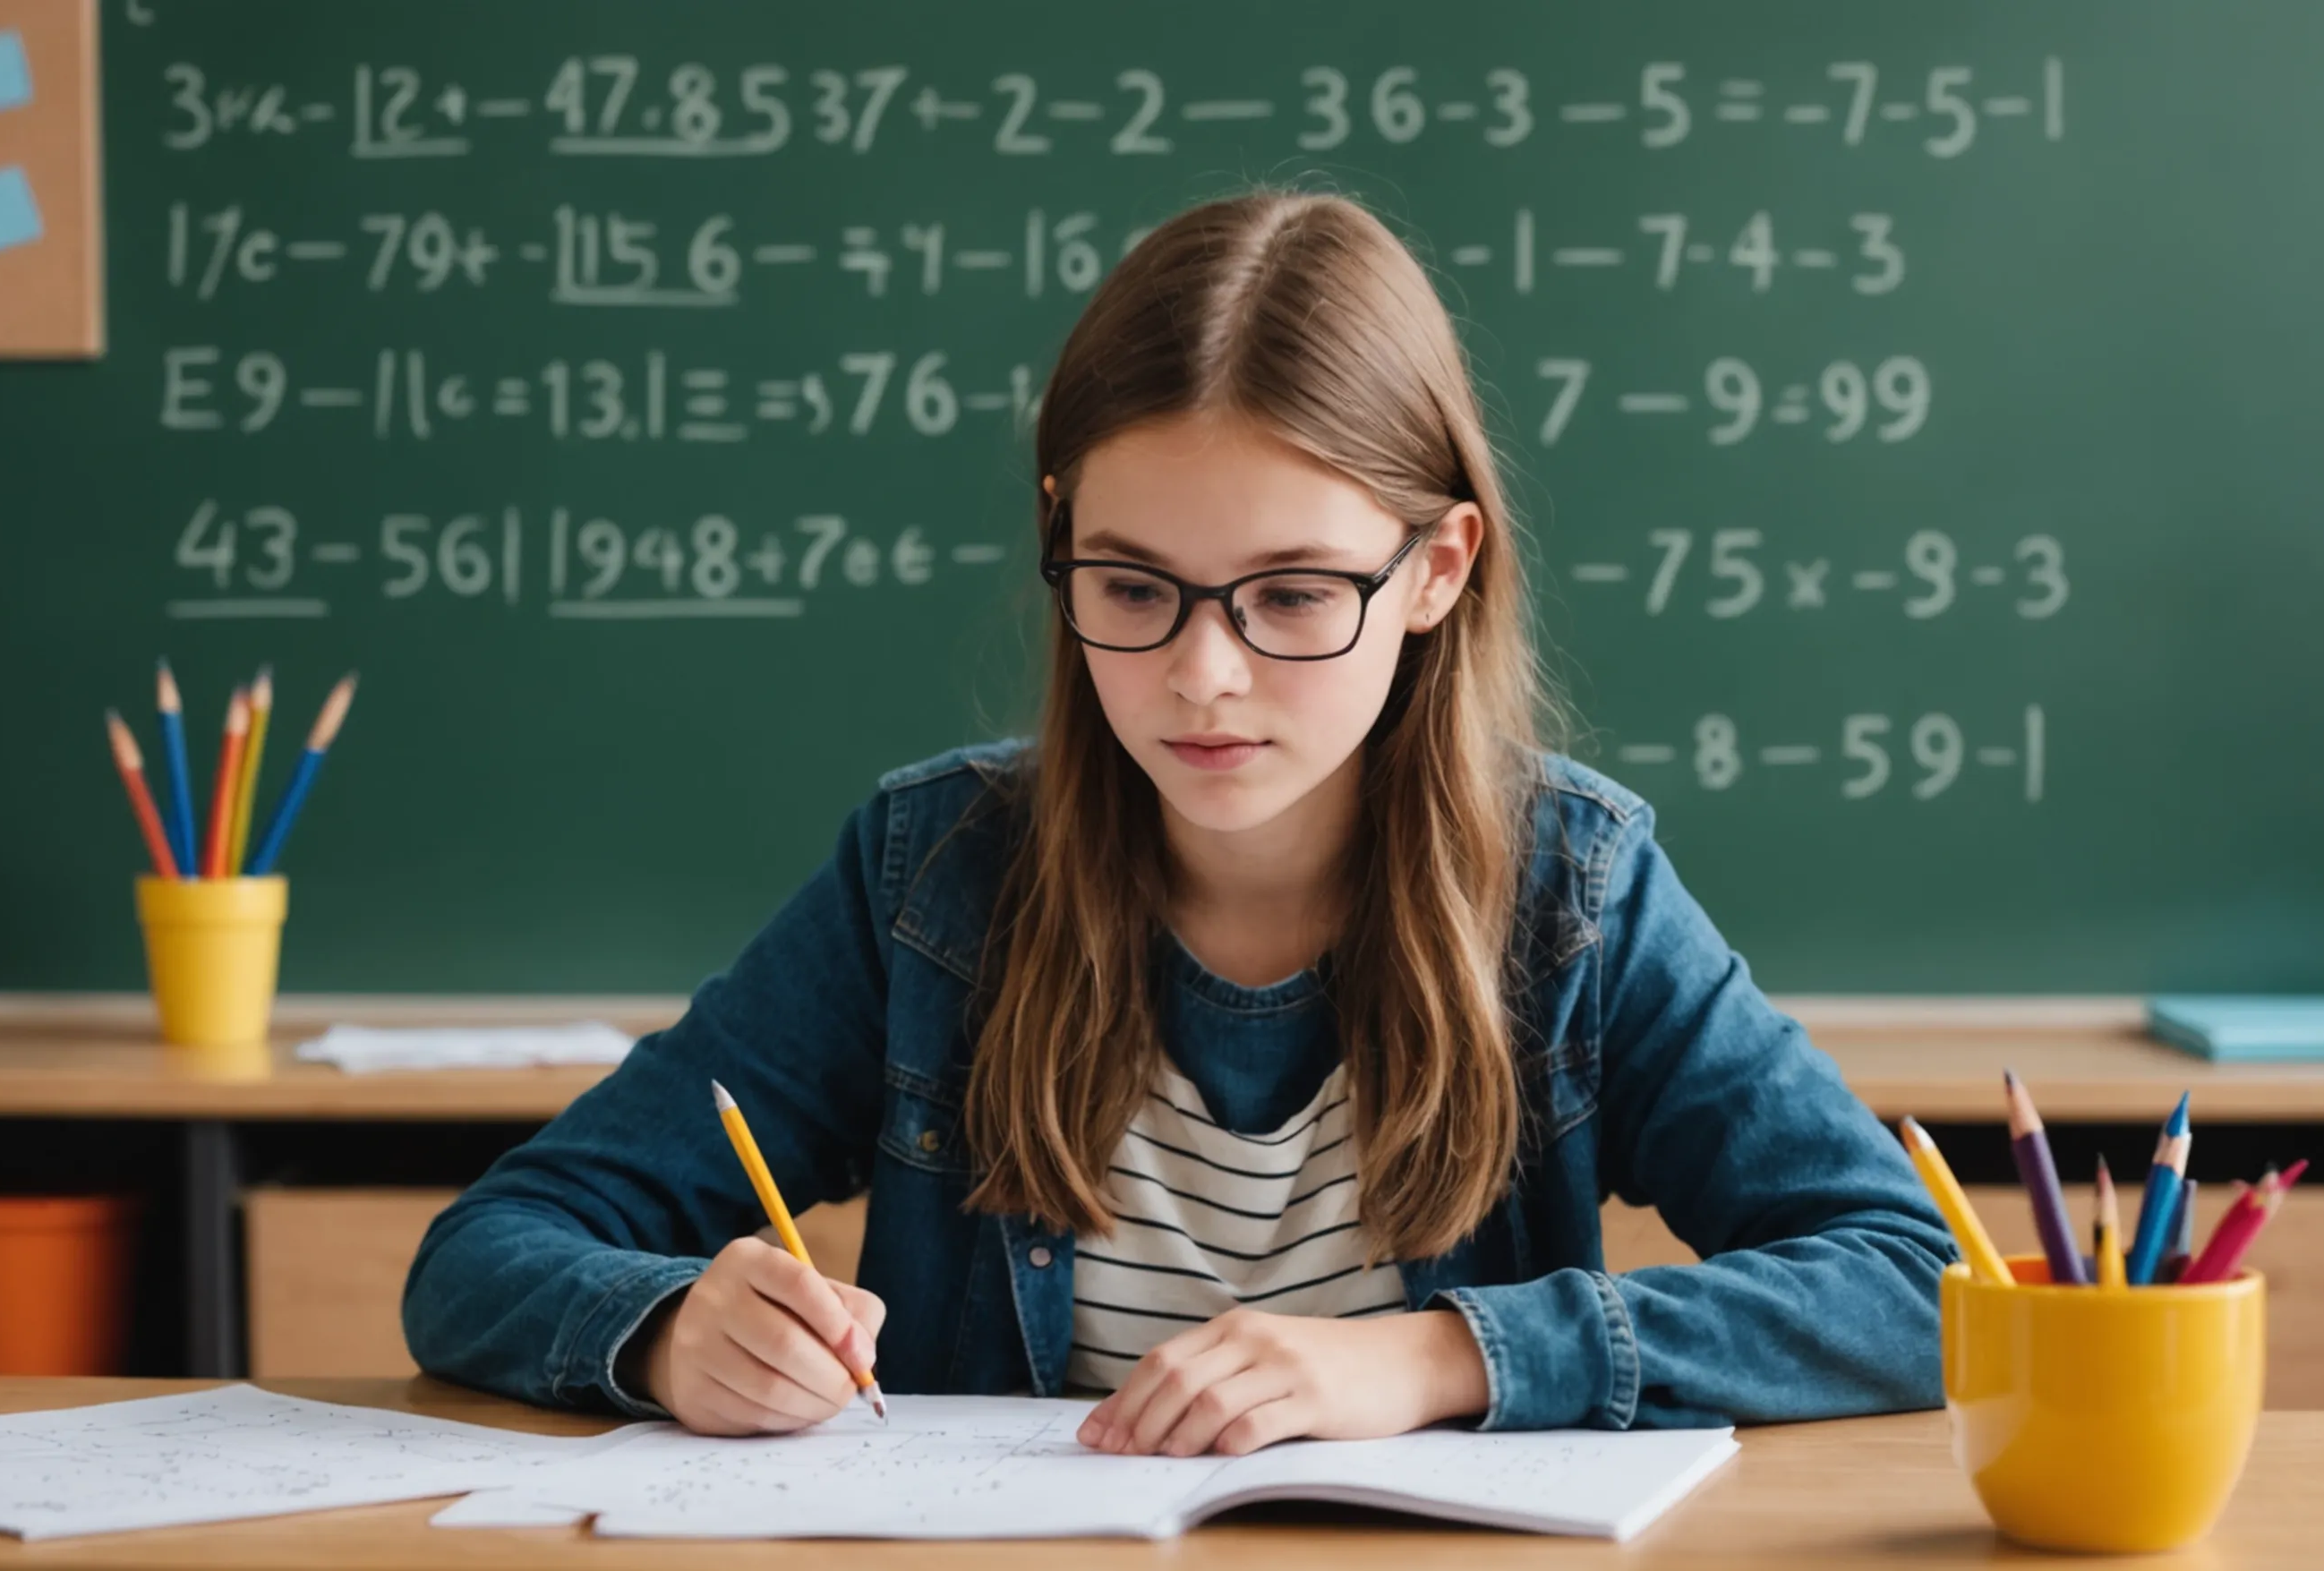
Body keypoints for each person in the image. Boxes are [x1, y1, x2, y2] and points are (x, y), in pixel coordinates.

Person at [404, 188, 1951, 1458]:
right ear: (1060, 537)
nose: (1202, 677)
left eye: (1291, 594)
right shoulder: (935, 876)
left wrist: (1437, 1359)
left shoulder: (1571, 890)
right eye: (1133, 587)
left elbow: (1918, 1280)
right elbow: (491, 1248)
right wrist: (669, 1329)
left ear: (1435, 570)